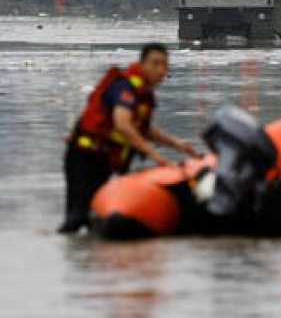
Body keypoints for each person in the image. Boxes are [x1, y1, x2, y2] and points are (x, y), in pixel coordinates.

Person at [58, 43, 199, 234]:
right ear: (142, 64)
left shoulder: (143, 93)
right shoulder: (125, 88)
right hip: (85, 157)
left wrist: (177, 144)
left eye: (164, 65)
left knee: (93, 215)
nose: (161, 70)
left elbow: (144, 129)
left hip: (104, 160)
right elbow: (123, 124)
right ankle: (72, 254)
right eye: (155, 64)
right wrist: (155, 156)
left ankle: (91, 258)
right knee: (77, 218)